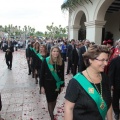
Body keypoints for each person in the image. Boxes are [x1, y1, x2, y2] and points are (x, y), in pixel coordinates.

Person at [64, 45, 112, 120]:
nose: (106, 63)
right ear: (90, 60)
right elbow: (68, 109)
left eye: (106, 60)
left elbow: (108, 103)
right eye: (102, 60)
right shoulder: (75, 82)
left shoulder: (105, 78)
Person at [40, 46, 64, 120]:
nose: (55, 53)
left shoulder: (61, 61)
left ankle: (52, 112)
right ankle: (52, 117)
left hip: (57, 85)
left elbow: (62, 74)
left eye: (57, 51)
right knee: (50, 101)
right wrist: (42, 86)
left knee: (54, 100)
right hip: (48, 85)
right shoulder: (46, 60)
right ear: (51, 52)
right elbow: (41, 74)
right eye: (54, 51)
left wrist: (62, 85)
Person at [109, 55, 120, 120]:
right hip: (117, 85)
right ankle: (116, 112)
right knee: (115, 100)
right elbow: (111, 73)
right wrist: (111, 84)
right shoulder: (115, 60)